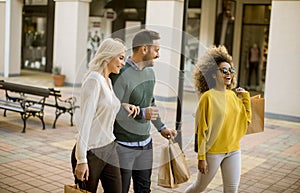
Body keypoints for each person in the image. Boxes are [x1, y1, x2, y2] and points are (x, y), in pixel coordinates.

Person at [110, 29, 177, 193]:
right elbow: (112, 108)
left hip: (146, 144)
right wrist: (141, 113)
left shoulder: (150, 73)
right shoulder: (120, 73)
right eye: (157, 50)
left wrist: (161, 128)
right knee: (120, 190)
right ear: (144, 49)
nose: (158, 55)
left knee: (144, 189)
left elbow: (150, 103)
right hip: (123, 146)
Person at [71, 38, 140, 193]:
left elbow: (106, 105)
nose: (123, 63)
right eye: (121, 58)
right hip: (91, 152)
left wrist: (123, 105)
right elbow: (85, 121)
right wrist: (81, 160)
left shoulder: (107, 80)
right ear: (108, 56)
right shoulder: (94, 80)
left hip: (109, 147)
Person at [185, 45, 251, 193]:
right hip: (213, 152)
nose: (229, 74)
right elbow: (201, 130)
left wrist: (246, 98)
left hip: (234, 150)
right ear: (214, 74)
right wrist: (201, 158)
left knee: (232, 189)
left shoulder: (233, 96)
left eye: (231, 70)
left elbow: (246, 120)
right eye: (224, 70)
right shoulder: (207, 97)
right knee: (198, 187)